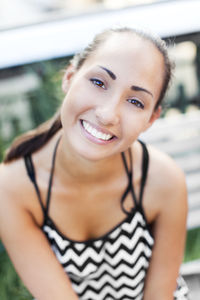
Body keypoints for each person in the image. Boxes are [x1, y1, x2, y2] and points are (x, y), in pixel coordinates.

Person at [0, 27, 189, 300]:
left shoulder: (161, 180)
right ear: (69, 78)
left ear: (151, 119)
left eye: (135, 101)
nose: (107, 114)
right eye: (99, 83)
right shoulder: (13, 188)